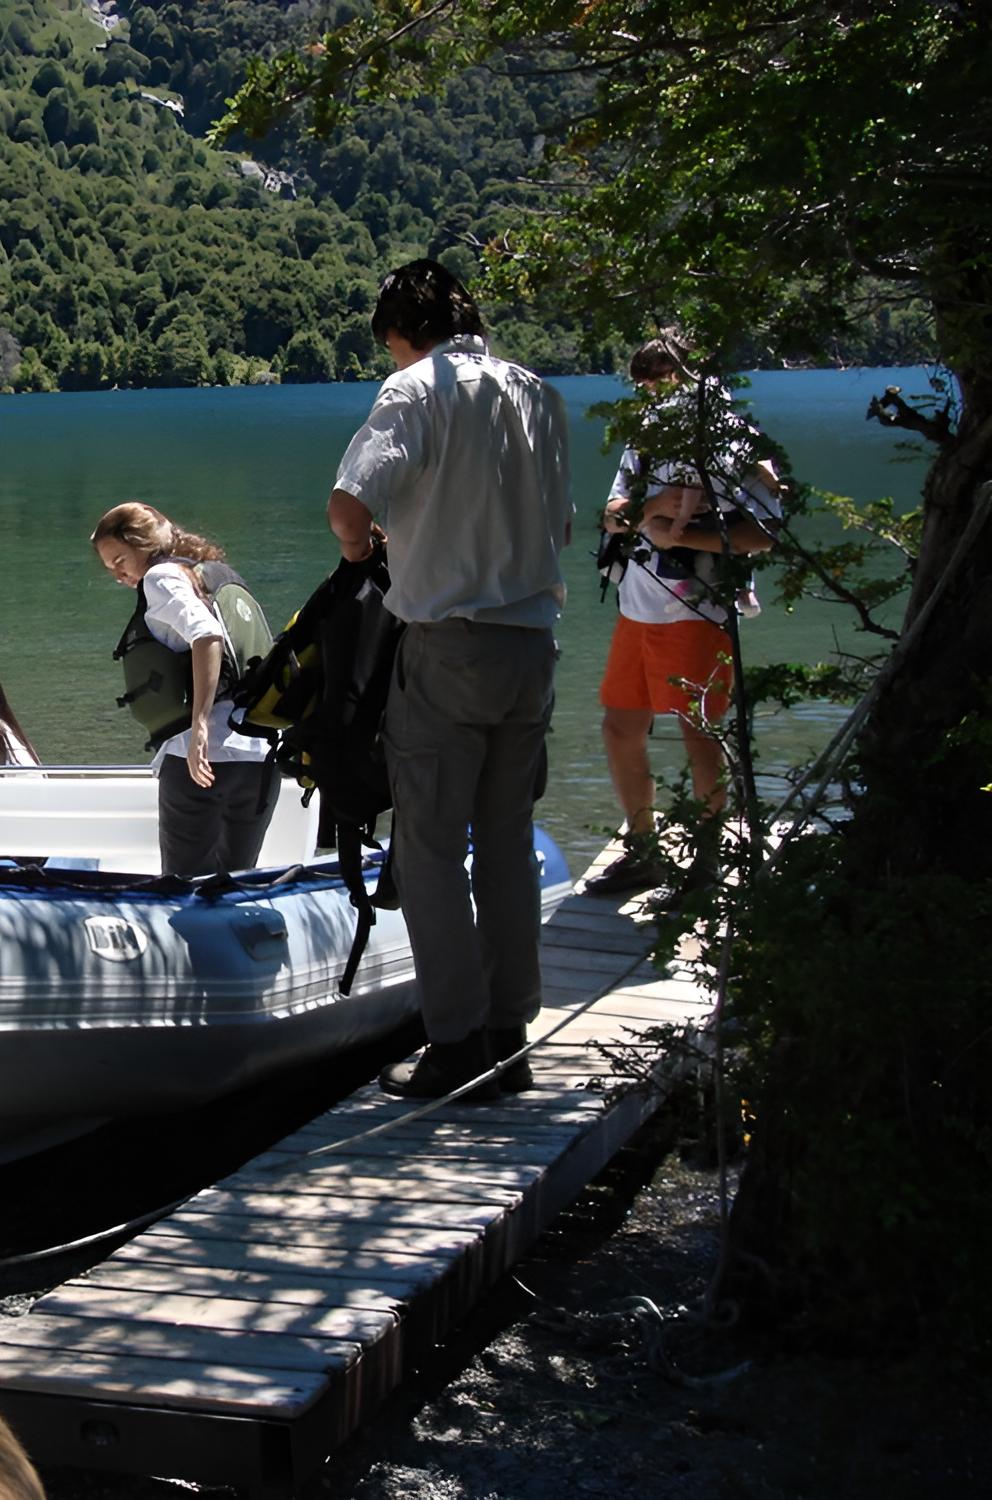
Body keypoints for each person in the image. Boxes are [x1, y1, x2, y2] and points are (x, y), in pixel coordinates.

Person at [327, 260, 573, 1101]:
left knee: (429, 848)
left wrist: (363, 551)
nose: (392, 359)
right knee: (506, 841)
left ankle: (456, 1043)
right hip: (532, 648)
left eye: (391, 345)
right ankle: (510, 1035)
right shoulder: (538, 394)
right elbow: (562, 525)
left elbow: (349, 508)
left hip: (449, 647)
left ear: (404, 334)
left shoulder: (415, 390)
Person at [587, 337, 782, 896]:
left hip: (698, 609)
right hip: (637, 605)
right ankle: (644, 851)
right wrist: (650, 509)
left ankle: (706, 863)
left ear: (688, 373)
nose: (651, 389)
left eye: (659, 375)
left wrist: (685, 537)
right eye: (644, 380)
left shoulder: (730, 438)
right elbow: (612, 514)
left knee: (700, 733)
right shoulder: (646, 438)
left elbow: (762, 535)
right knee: (620, 725)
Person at [90, 501, 279, 877]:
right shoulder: (216, 574)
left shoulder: (159, 579)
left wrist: (200, 725)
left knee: (184, 887)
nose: (118, 574)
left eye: (120, 560)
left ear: (143, 543)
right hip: (259, 757)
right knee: (234, 884)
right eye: (110, 568)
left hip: (201, 760)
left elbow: (207, 634)